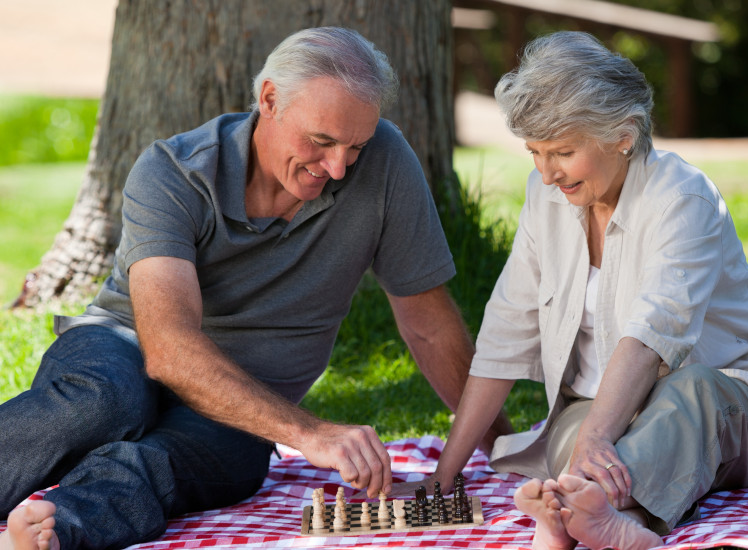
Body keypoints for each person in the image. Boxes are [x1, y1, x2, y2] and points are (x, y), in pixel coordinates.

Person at [0, 27, 511, 550]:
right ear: (269, 99)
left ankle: (50, 534)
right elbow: (168, 348)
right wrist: (311, 434)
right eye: (322, 141)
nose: (337, 167)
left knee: (172, 462)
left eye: (354, 146)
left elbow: (429, 324)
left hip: (248, 405)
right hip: (125, 344)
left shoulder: (385, 163)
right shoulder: (175, 171)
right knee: (105, 403)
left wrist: (504, 448)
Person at [402, 31, 748, 550]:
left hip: (735, 408)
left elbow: (651, 336)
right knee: (572, 435)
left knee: (687, 393)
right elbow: (505, 333)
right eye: (534, 152)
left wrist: (596, 438)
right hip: (612, 414)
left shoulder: (683, 197)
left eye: (563, 151)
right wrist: (444, 475)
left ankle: (602, 512)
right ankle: (588, 513)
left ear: (624, 135)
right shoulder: (543, 197)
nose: (546, 174)